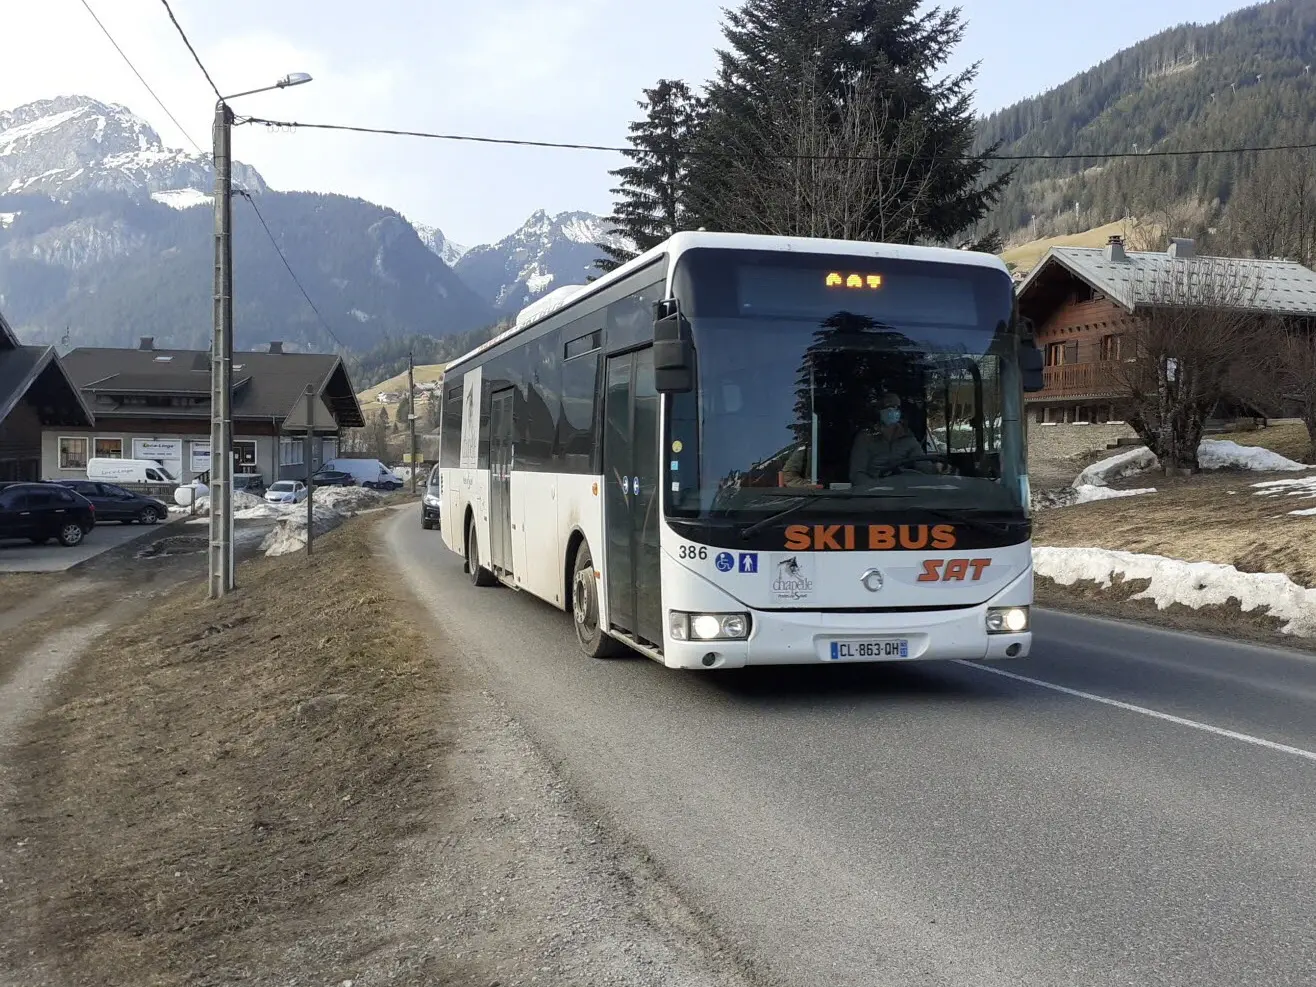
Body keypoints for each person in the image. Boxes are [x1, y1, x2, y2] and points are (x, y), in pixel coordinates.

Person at [850, 392, 938, 484]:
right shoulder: (865, 437)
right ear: (879, 412)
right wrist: (876, 489)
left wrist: (937, 468)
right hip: (874, 493)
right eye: (888, 408)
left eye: (896, 408)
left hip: (903, 490)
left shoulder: (907, 437)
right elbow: (857, 474)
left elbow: (924, 465)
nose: (892, 411)